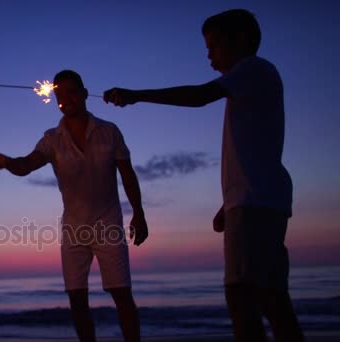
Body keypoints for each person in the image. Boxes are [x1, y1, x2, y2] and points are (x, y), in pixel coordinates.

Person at [103, 9, 303, 342]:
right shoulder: (254, 79)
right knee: (273, 299)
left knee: (240, 297)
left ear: (241, 39)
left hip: (254, 205)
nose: (208, 53)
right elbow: (257, 150)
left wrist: (138, 95)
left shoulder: (252, 69)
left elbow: (199, 96)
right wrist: (229, 204)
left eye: (214, 45)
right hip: (261, 200)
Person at [0, 70, 148, 342]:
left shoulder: (109, 132)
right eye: (59, 94)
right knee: (77, 299)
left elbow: (128, 174)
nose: (66, 98)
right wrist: (5, 162)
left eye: (72, 92)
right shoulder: (52, 138)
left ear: (85, 94)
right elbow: (27, 165)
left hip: (109, 225)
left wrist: (139, 213)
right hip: (74, 229)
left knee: (122, 294)